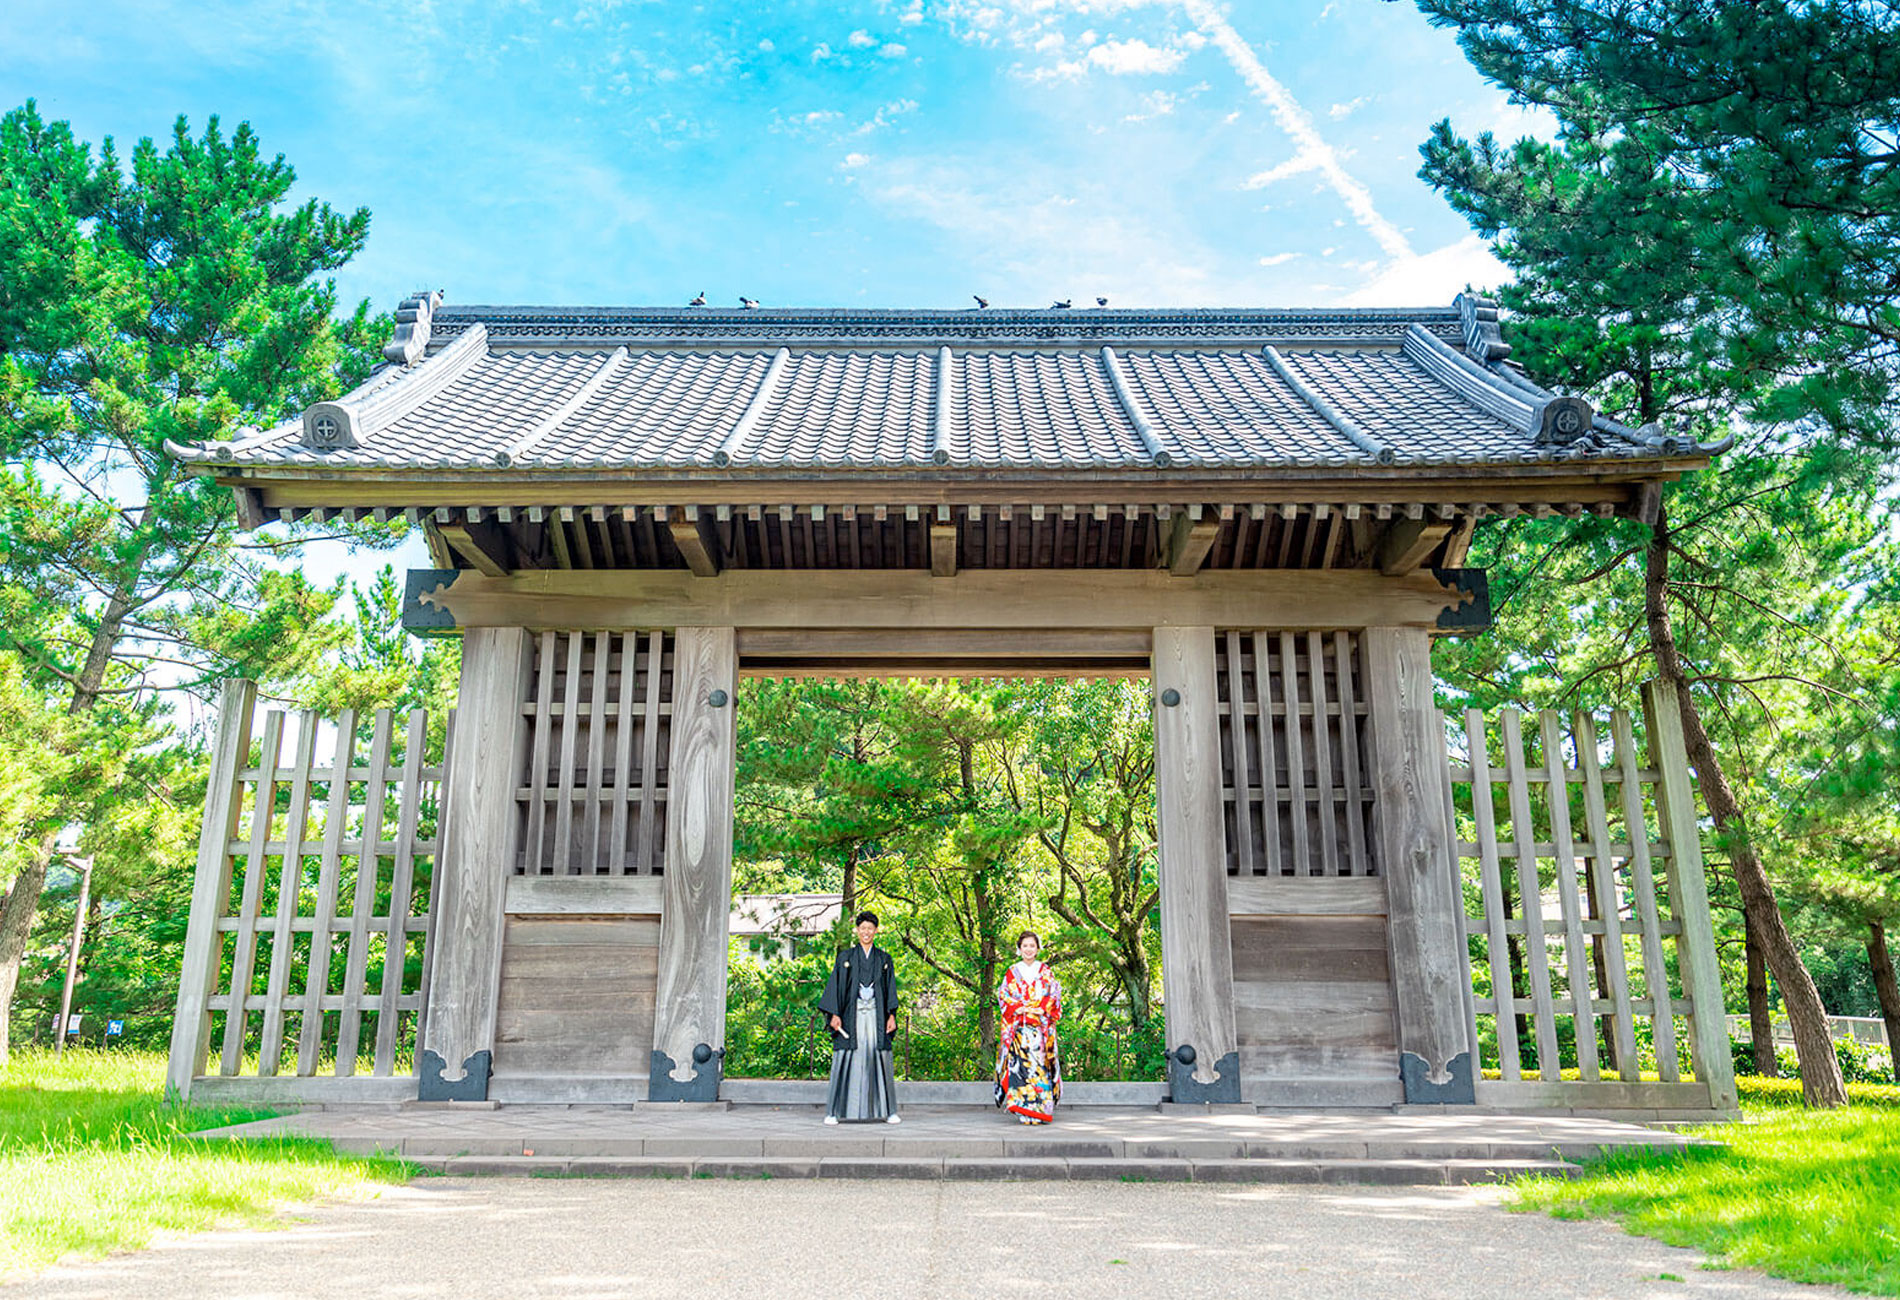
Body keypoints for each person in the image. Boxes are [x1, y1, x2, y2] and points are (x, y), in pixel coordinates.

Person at [818, 910, 900, 1125]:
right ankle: (833, 1111)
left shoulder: (884, 959)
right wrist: (834, 1014)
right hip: (850, 1015)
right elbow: (835, 986)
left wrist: (891, 1015)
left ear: (876, 931)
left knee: (879, 1055)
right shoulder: (845, 957)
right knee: (845, 1056)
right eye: (862, 928)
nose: (866, 932)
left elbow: (890, 988)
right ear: (857, 930)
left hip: (876, 1014)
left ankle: (889, 1111)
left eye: (870, 928)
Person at [994, 930, 1062, 1124]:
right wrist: (1019, 1007)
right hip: (1019, 1028)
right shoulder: (1012, 971)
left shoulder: (1045, 971)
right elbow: (1003, 995)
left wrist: (1041, 1009)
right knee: (1020, 1069)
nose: (1029, 949)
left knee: (1040, 1068)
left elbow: (1053, 994)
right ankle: (1023, 1110)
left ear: (1037, 949)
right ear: (1019, 948)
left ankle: (1041, 1110)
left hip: (1039, 1029)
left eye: (1032, 946)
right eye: (1025, 946)